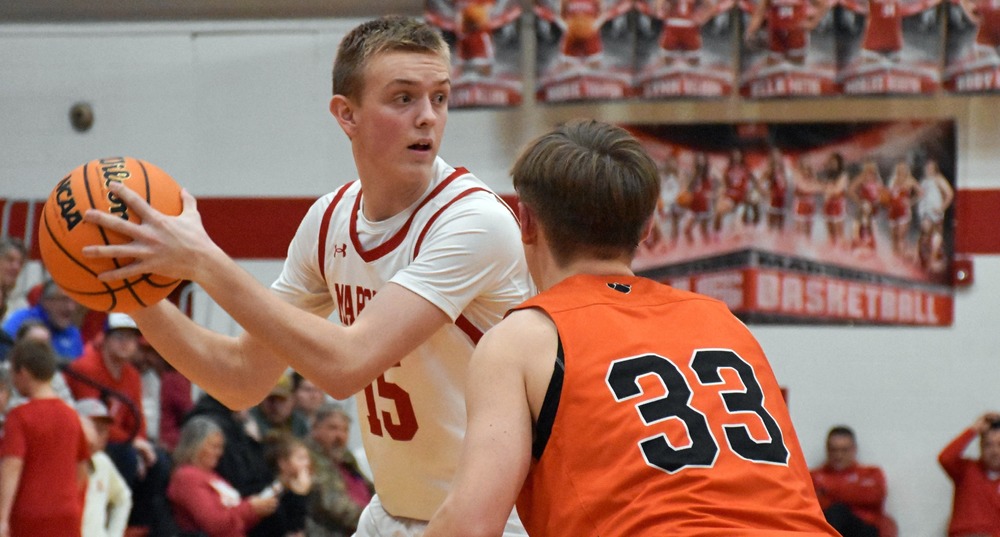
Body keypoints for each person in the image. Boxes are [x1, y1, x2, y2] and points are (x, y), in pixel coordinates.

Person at [81, 14, 532, 536]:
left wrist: (202, 260)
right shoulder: (330, 220)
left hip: (494, 522)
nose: (428, 117)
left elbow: (347, 364)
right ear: (347, 114)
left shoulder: (474, 221)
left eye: (440, 97)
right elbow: (242, 377)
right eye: (403, 98)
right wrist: (131, 287)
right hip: (391, 514)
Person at [423, 119, 838, 537]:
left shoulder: (522, 338)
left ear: (524, 221)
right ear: (647, 227)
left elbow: (470, 525)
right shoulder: (725, 322)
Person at [63, 312, 173, 537]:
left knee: (159, 462)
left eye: (131, 339)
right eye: (120, 337)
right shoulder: (86, 367)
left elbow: (137, 417)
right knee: (127, 458)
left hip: (123, 441)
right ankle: (112, 521)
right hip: (88, 441)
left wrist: (141, 443)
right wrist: (134, 443)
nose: (126, 344)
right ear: (105, 338)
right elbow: (96, 422)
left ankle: (136, 526)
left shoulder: (132, 375)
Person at [0, 339, 89, 537]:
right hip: (67, 513)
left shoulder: (19, 416)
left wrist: (2, 517)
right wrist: (71, 501)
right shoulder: (71, 415)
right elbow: (82, 468)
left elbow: (12, 465)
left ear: (23, 372)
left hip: (29, 514)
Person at [168, 416, 279, 537]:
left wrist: (258, 510)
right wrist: (250, 508)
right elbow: (214, 524)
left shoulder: (213, 476)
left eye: (220, 447)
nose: (219, 453)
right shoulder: (187, 477)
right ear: (196, 446)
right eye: (214, 447)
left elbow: (236, 523)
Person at [810, 426, 897, 537]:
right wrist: (849, 491)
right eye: (833, 450)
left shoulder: (870, 473)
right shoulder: (814, 476)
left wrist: (826, 492)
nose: (838, 455)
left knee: (838, 511)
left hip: (863, 528)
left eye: (844, 450)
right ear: (827, 450)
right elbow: (810, 504)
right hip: (827, 524)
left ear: (854, 449)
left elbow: (873, 496)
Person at [305, 404, 375, 537]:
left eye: (345, 430)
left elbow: (372, 490)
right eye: (333, 428)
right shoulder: (306, 457)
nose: (340, 436)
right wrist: (375, 521)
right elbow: (333, 504)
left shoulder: (345, 457)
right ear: (315, 428)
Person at [77, 398, 133, 537]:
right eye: (95, 427)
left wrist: (114, 534)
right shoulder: (61, 463)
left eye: (104, 430)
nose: (100, 436)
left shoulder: (103, 462)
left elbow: (123, 498)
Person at [938, 412, 1000, 537]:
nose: (994, 451)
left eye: (999, 445)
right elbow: (945, 458)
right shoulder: (966, 470)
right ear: (981, 447)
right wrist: (974, 429)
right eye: (988, 445)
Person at [2, 279, 83, 361]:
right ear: (46, 301)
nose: (71, 307)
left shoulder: (73, 333)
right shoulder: (21, 320)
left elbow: (78, 367)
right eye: (64, 300)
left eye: (75, 301)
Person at [251, 373, 309, 439]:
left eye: (282, 400)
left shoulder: (299, 424)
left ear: (293, 400)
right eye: (271, 400)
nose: (275, 406)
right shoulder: (250, 420)